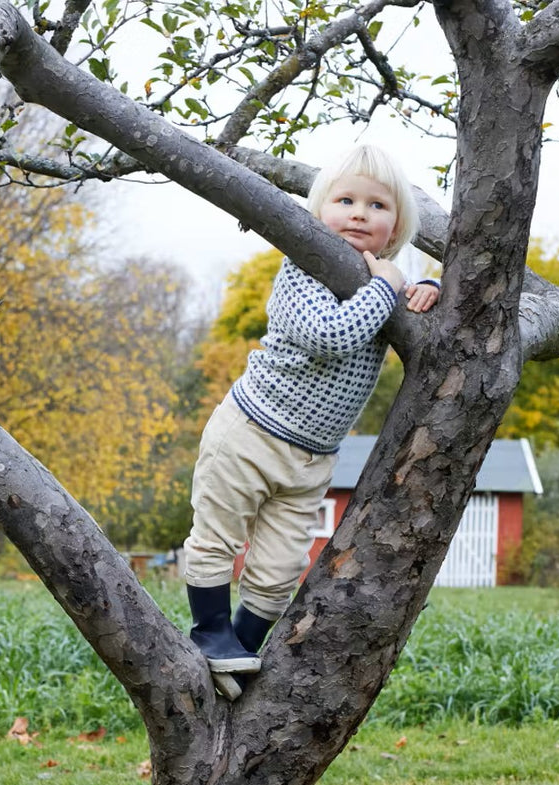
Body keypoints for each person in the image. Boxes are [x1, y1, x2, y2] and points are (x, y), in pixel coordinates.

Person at [182, 144, 440, 684]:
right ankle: (209, 632)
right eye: (345, 200)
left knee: (279, 571)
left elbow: (411, 302)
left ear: (396, 227)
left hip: (312, 460)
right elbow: (330, 336)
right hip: (250, 432)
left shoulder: (386, 282)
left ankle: (238, 654)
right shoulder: (303, 265)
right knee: (217, 538)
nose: (358, 214)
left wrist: (429, 287)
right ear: (320, 209)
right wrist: (388, 289)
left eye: (376, 205)